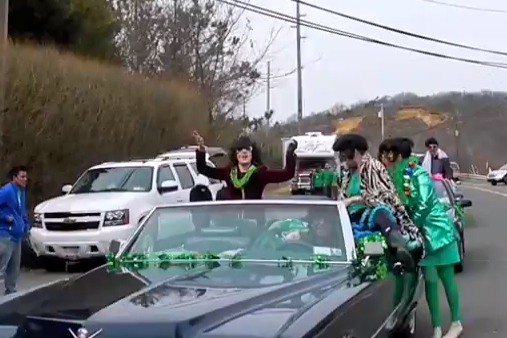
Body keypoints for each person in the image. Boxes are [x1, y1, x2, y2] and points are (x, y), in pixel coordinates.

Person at [380, 137, 463, 338]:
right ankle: (436, 328)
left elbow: (425, 205)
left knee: (447, 279)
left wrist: (408, 226)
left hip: (438, 234)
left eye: (391, 155)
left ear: (399, 155)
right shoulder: (394, 177)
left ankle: (456, 322)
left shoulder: (419, 174)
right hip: (421, 239)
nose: (388, 159)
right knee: (430, 282)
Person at [332, 134, 423, 268]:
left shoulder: (373, 167)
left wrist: (354, 200)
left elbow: (385, 198)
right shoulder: (346, 174)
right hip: (351, 220)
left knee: (380, 213)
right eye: (342, 156)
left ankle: (399, 245)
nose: (344, 160)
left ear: (355, 152)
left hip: (373, 216)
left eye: (346, 155)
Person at [192, 131, 297, 200]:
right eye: (240, 150)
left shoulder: (259, 173)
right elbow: (203, 169)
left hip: (255, 225)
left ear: (252, 153)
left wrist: (290, 154)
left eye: (247, 149)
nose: (244, 152)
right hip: (233, 225)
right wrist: (201, 150)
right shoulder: (228, 173)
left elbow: (287, 174)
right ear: (236, 154)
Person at [0, 166, 29, 295]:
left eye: (26, 176)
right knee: (2, 265)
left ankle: (10, 292)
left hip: (17, 235)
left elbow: (21, 211)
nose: (25, 179)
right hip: (6, 234)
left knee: (14, 267)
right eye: (22, 176)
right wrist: (5, 218)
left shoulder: (21, 191)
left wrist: (25, 225)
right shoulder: (6, 191)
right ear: (14, 177)